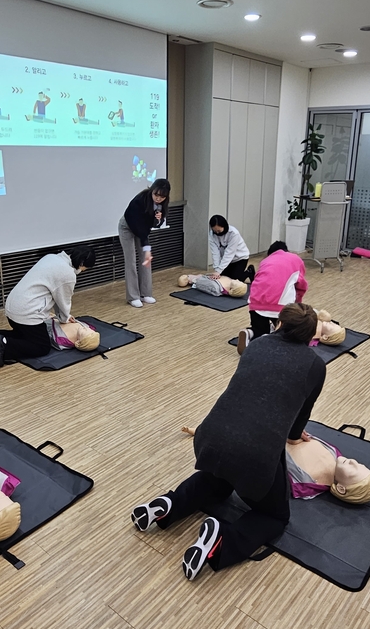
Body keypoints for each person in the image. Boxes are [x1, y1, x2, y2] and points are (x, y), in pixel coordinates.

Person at [130, 303, 327, 581]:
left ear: (279, 324)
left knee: (219, 483)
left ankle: (169, 506)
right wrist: (296, 437)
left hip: (210, 435)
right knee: (275, 517)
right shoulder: (315, 365)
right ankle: (221, 543)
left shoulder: (258, 344)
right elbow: (297, 422)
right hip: (253, 456)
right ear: (310, 337)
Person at [178, 427, 370, 504]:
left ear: (341, 488)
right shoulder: (335, 454)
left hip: (262, 444)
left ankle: (208, 433)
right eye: (359, 463)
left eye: (354, 469)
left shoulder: (309, 484)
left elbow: (278, 467)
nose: (353, 461)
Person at [0, 247, 97, 367]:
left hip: (12, 307)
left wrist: (63, 316)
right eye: (85, 269)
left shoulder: (52, 257)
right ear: (82, 264)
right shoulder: (68, 274)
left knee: (26, 336)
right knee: (41, 346)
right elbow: (63, 301)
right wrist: (65, 318)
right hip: (27, 312)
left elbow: (56, 295)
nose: (83, 271)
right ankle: (4, 344)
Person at [237, 242, 307, 354]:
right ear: (286, 250)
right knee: (286, 333)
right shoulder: (295, 259)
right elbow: (301, 285)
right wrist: (297, 306)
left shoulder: (265, 261)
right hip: (280, 306)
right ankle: (271, 337)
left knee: (259, 328)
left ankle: (250, 333)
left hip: (255, 302)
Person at [118, 179, 170, 307]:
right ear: (151, 191)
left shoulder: (161, 204)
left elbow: (154, 225)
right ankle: (133, 297)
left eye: (162, 197)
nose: (158, 199)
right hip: (128, 227)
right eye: (156, 195)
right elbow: (139, 227)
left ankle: (146, 294)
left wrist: (158, 220)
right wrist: (146, 247)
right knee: (131, 261)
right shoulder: (139, 201)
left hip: (142, 230)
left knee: (146, 260)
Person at [208, 215, 254, 282]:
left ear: (224, 226)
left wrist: (219, 270)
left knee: (234, 280)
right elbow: (215, 252)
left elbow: (229, 253)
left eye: (219, 231)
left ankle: (249, 271)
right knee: (222, 277)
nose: (217, 233)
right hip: (227, 260)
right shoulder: (212, 234)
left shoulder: (234, 233)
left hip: (240, 258)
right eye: (215, 231)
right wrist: (217, 270)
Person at [176, 273, 248, 298]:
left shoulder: (216, 288)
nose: (238, 280)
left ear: (232, 289)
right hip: (207, 277)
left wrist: (192, 280)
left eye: (238, 282)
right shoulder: (229, 281)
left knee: (182, 281)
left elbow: (202, 284)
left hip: (201, 279)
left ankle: (187, 279)